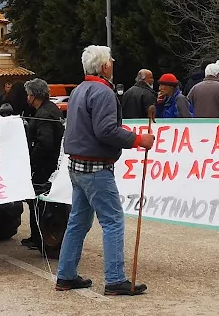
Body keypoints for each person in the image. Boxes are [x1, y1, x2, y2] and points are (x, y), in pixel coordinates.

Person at [56, 45, 154, 296]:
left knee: (78, 222)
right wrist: (137, 140)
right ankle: (114, 280)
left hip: (77, 166)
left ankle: (65, 275)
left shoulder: (79, 90)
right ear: (104, 67)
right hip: (96, 167)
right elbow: (106, 130)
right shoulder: (103, 92)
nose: (113, 63)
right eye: (110, 60)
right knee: (112, 221)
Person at [20, 78, 64, 250]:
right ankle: (39, 236)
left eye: (28, 95)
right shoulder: (52, 109)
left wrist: (31, 161)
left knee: (37, 201)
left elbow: (44, 143)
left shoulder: (44, 114)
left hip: (44, 165)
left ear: (32, 96)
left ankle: (38, 238)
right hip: (52, 163)